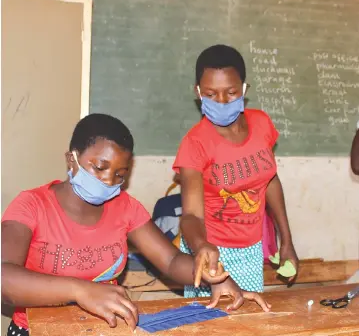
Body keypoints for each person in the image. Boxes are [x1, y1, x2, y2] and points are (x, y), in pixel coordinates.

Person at [1, 113, 271, 336]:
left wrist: (213, 276)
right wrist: (79, 290)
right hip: (36, 332)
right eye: (99, 167)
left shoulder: (125, 208)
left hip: (106, 331)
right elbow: (4, 278)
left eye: (119, 174)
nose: (108, 181)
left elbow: (171, 261)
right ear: (71, 159)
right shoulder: (32, 205)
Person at [173, 44, 299, 299]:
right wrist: (201, 247)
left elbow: (270, 180)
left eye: (230, 93)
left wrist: (286, 239)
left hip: (250, 246)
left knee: (249, 319)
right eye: (211, 94)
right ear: (198, 92)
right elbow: (191, 216)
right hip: (211, 250)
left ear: (243, 89)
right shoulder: (195, 144)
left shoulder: (261, 123)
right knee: (211, 324)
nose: (221, 101)